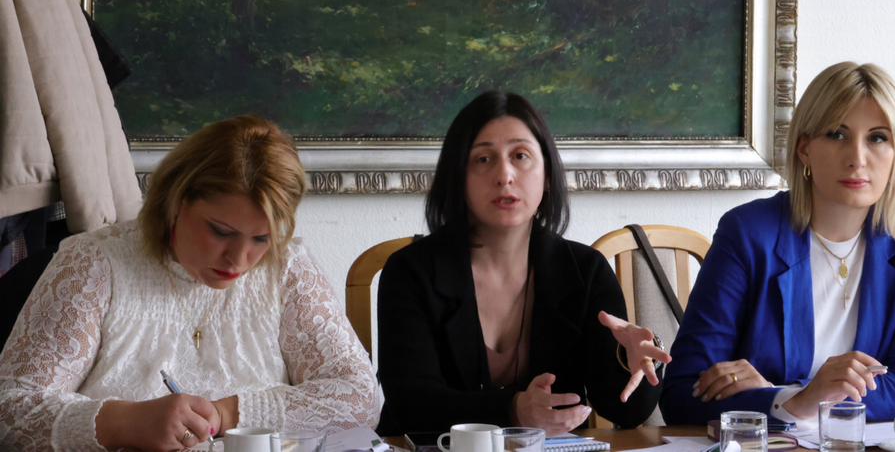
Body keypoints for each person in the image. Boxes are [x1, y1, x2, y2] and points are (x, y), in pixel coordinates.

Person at [0, 115, 381, 451]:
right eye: (221, 232)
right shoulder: (94, 262)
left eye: (261, 238)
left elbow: (360, 397)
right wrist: (124, 422)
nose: (239, 260)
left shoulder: (286, 267)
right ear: (175, 202)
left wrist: (223, 413)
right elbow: (11, 410)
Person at [660, 62, 895, 426]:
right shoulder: (747, 233)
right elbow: (682, 395)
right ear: (804, 148)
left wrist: (799, 398)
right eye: (837, 134)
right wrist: (794, 401)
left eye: (877, 138)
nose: (857, 159)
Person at [375, 91, 669, 436]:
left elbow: (626, 410)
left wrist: (632, 360)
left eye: (520, 156)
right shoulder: (410, 272)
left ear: (547, 174)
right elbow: (412, 406)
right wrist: (513, 410)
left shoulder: (585, 271)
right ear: (459, 178)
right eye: (483, 159)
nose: (504, 175)